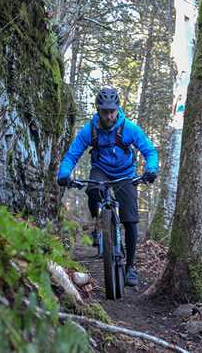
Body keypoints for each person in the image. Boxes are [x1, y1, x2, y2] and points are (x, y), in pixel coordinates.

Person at [57, 87, 158, 287]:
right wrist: (64, 174)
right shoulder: (90, 129)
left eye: (112, 111)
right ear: (98, 110)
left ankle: (130, 268)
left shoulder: (129, 128)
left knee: (130, 221)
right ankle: (98, 222)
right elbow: (72, 154)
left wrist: (151, 169)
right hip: (101, 170)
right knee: (93, 190)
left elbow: (149, 150)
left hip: (125, 174)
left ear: (117, 109)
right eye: (105, 111)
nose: (109, 116)